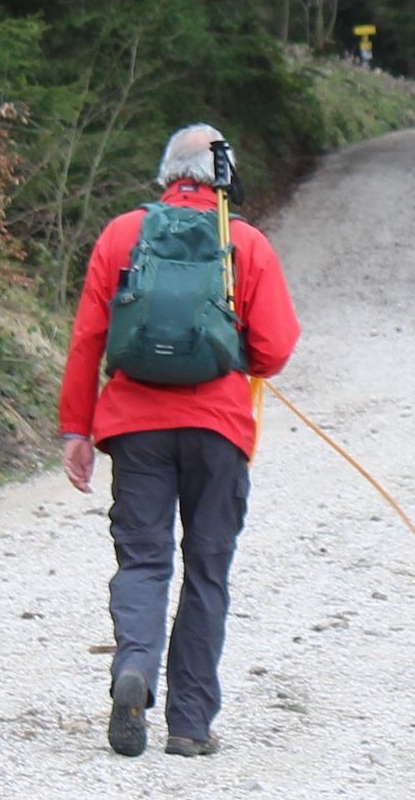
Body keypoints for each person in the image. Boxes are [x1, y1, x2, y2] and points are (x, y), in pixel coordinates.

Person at [58, 124, 300, 759]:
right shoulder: (244, 242)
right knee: (207, 570)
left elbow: (88, 339)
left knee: (143, 560)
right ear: (223, 176)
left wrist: (77, 429)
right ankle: (190, 724)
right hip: (218, 428)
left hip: (135, 427)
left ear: (167, 174)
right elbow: (274, 349)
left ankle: (135, 667)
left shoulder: (120, 234)